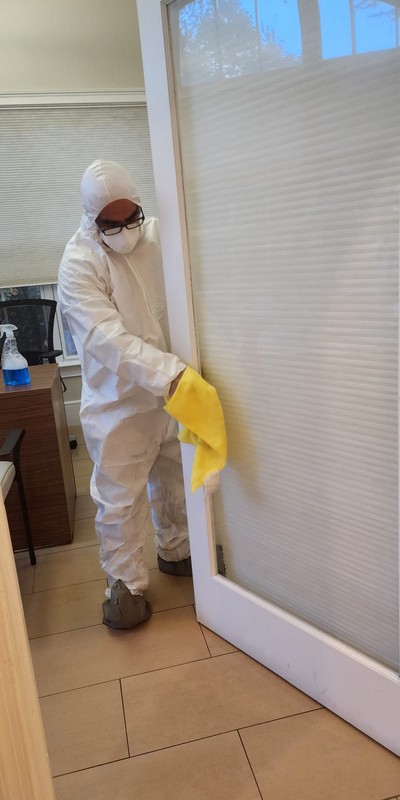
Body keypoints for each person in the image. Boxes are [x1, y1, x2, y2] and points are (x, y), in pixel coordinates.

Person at [58, 159, 191, 631]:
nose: (123, 232)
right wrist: (169, 374)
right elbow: (105, 339)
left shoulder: (160, 236)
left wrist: (176, 377)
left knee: (176, 479)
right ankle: (125, 586)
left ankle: (178, 549)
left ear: (139, 205)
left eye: (130, 217)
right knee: (120, 498)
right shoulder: (79, 262)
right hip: (119, 402)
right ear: (92, 219)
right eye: (110, 224)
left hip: (174, 389)